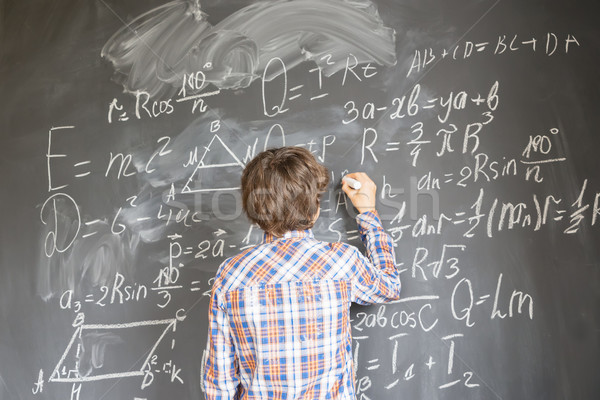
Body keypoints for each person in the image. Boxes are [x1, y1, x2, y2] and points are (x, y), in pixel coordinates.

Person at [203, 146, 401, 400]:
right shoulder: (341, 262)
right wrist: (368, 213)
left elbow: (220, 381)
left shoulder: (230, 275)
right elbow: (389, 286)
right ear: (315, 207)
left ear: (253, 211)